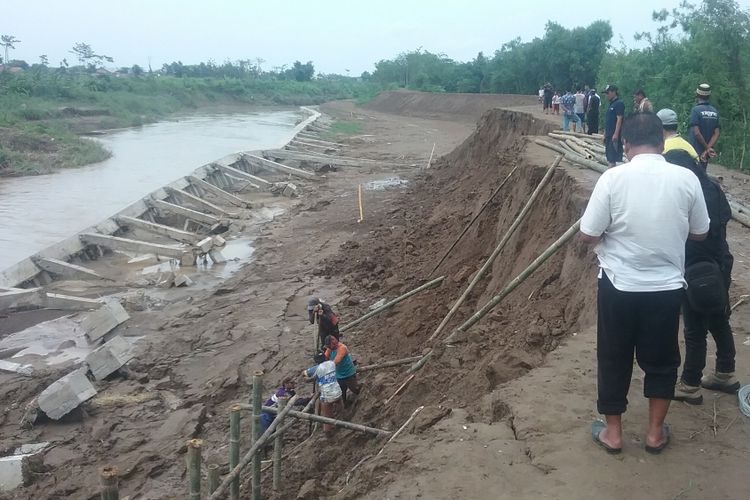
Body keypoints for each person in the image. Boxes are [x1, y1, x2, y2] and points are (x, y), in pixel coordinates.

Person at [580, 113, 710, 455]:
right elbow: (701, 232)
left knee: (613, 358)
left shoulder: (613, 178)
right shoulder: (686, 179)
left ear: (626, 145)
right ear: (663, 142)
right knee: (663, 360)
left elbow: (588, 234)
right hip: (666, 290)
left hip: (618, 286)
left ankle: (613, 434)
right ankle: (654, 434)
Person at [663, 149, 740, 404]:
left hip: (694, 265)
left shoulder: (685, 193)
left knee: (695, 328)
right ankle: (725, 372)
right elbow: (725, 217)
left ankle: (690, 384)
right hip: (720, 261)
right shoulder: (712, 187)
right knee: (719, 317)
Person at [303, 355, 343, 433]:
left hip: (327, 395)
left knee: (327, 417)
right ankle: (342, 422)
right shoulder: (332, 363)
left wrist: (311, 378)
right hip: (337, 391)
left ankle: (328, 432)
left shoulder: (316, 368)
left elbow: (304, 374)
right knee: (340, 408)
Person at [688, 83, 721, 167]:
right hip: (705, 153)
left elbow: (696, 132)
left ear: (697, 95)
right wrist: (707, 149)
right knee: (703, 173)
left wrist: (707, 148)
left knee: (694, 175)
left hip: (694, 151)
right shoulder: (715, 111)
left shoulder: (695, 110)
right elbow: (716, 133)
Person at [323, 335, 360, 404]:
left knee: (355, 389)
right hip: (339, 375)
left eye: (329, 346)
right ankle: (345, 403)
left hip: (348, 373)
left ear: (333, 343)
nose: (329, 348)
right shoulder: (330, 349)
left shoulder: (342, 348)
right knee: (341, 392)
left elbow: (336, 361)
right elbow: (325, 358)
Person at [603, 85, 625, 167]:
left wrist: (616, 134)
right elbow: (608, 120)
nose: (606, 95)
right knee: (609, 157)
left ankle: (612, 176)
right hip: (609, 134)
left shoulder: (619, 104)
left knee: (612, 158)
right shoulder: (611, 104)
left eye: (607, 93)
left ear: (613, 92)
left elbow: (619, 119)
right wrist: (605, 133)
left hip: (614, 135)